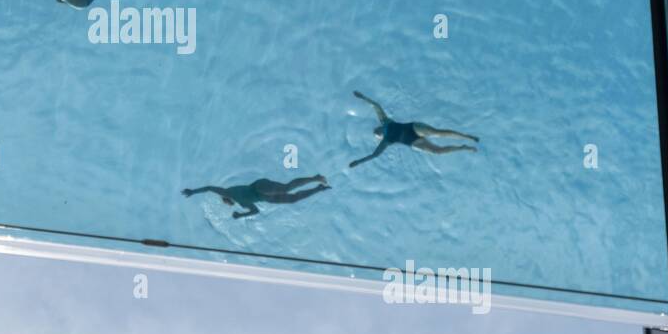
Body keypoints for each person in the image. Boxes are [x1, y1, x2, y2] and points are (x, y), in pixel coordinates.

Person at [348, 90, 478, 167]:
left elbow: (376, 106)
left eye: (376, 130)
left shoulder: (385, 121)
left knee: (438, 133)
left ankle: (467, 136)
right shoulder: (386, 141)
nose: (375, 131)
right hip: (413, 142)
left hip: (413, 128)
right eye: (376, 134)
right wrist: (358, 162)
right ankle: (463, 148)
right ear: (379, 137)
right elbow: (374, 155)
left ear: (379, 126)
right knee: (437, 151)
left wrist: (362, 97)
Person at [181, 175, 329, 219]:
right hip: (265, 198)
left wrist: (193, 191)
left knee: (286, 188)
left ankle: (315, 178)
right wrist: (240, 215)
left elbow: (209, 188)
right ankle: (318, 189)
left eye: (226, 203)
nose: (227, 204)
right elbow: (256, 211)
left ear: (227, 201)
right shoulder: (243, 204)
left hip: (258, 187)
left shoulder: (227, 192)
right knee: (293, 199)